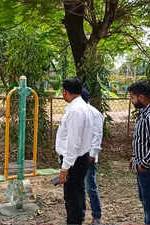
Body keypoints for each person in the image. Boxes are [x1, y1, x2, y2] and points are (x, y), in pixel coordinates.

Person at [56, 78, 93, 225]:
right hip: (79, 158)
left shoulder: (76, 110)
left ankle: (74, 222)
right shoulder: (81, 107)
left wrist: (65, 168)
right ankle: (76, 220)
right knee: (76, 194)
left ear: (65, 91)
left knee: (72, 198)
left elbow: (73, 143)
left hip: (74, 160)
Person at [127, 81, 150, 225]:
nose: (132, 101)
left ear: (141, 97)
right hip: (142, 165)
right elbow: (142, 139)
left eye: (132, 97)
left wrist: (144, 164)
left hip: (149, 169)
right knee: (145, 202)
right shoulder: (145, 112)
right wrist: (134, 157)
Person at [81, 88, 104, 225]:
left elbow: (97, 135)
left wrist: (92, 155)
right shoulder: (80, 112)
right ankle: (81, 213)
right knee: (80, 187)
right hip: (79, 156)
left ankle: (96, 216)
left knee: (90, 186)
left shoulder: (94, 113)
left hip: (89, 156)